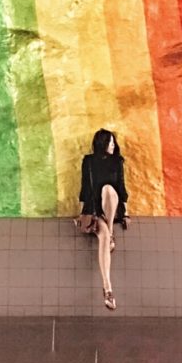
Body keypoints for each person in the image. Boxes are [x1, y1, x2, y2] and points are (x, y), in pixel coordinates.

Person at [77, 128, 129, 311]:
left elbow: (121, 190)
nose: (113, 145)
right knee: (104, 238)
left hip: (112, 208)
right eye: (110, 142)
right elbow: (85, 189)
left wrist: (126, 213)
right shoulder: (89, 162)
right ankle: (108, 289)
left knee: (108, 189)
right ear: (101, 143)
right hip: (94, 209)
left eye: (114, 142)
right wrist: (81, 214)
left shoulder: (117, 162)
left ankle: (111, 231)